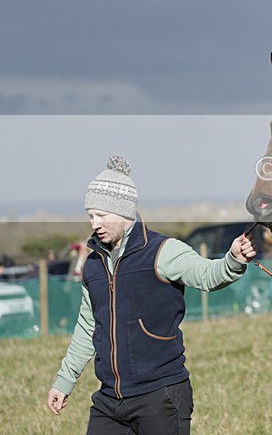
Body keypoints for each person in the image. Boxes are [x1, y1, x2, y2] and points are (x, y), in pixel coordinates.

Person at [46, 155, 257, 434]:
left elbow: (208, 275)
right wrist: (64, 381)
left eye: (101, 215)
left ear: (124, 212)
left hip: (160, 396)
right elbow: (88, 327)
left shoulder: (163, 251)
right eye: (90, 216)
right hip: (109, 401)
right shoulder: (93, 264)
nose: (94, 224)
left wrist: (233, 260)